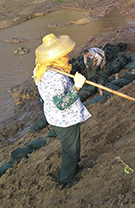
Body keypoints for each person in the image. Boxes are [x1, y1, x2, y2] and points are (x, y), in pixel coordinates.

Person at [33, 33, 91, 189]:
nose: (66, 56)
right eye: (63, 55)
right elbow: (62, 104)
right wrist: (77, 86)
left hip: (59, 117)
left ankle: (74, 168)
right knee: (70, 150)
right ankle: (63, 179)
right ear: (54, 58)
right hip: (63, 118)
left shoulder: (41, 68)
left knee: (74, 146)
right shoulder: (53, 77)